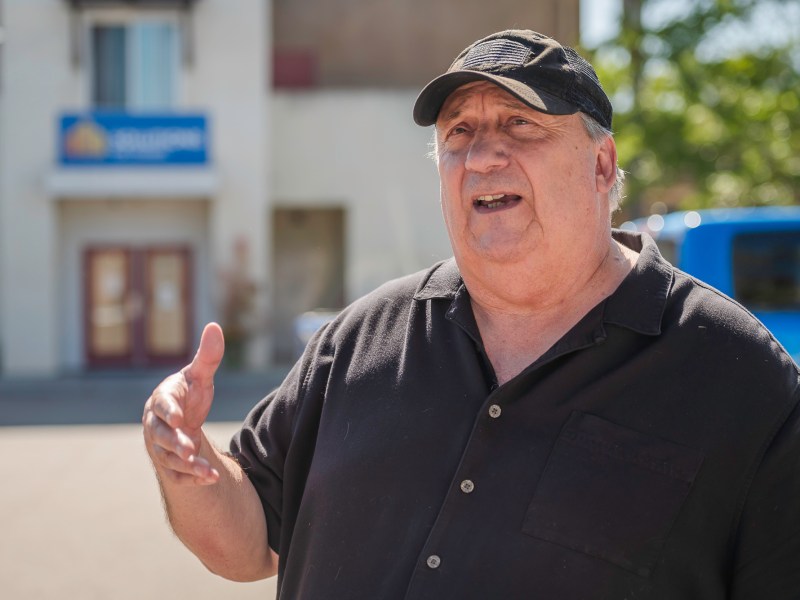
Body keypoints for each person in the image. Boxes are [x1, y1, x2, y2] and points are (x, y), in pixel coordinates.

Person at [142, 29, 800, 599]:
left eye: (521, 124)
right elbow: (249, 539)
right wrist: (189, 463)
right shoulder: (358, 341)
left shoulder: (737, 377)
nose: (484, 155)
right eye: (461, 131)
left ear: (602, 165)